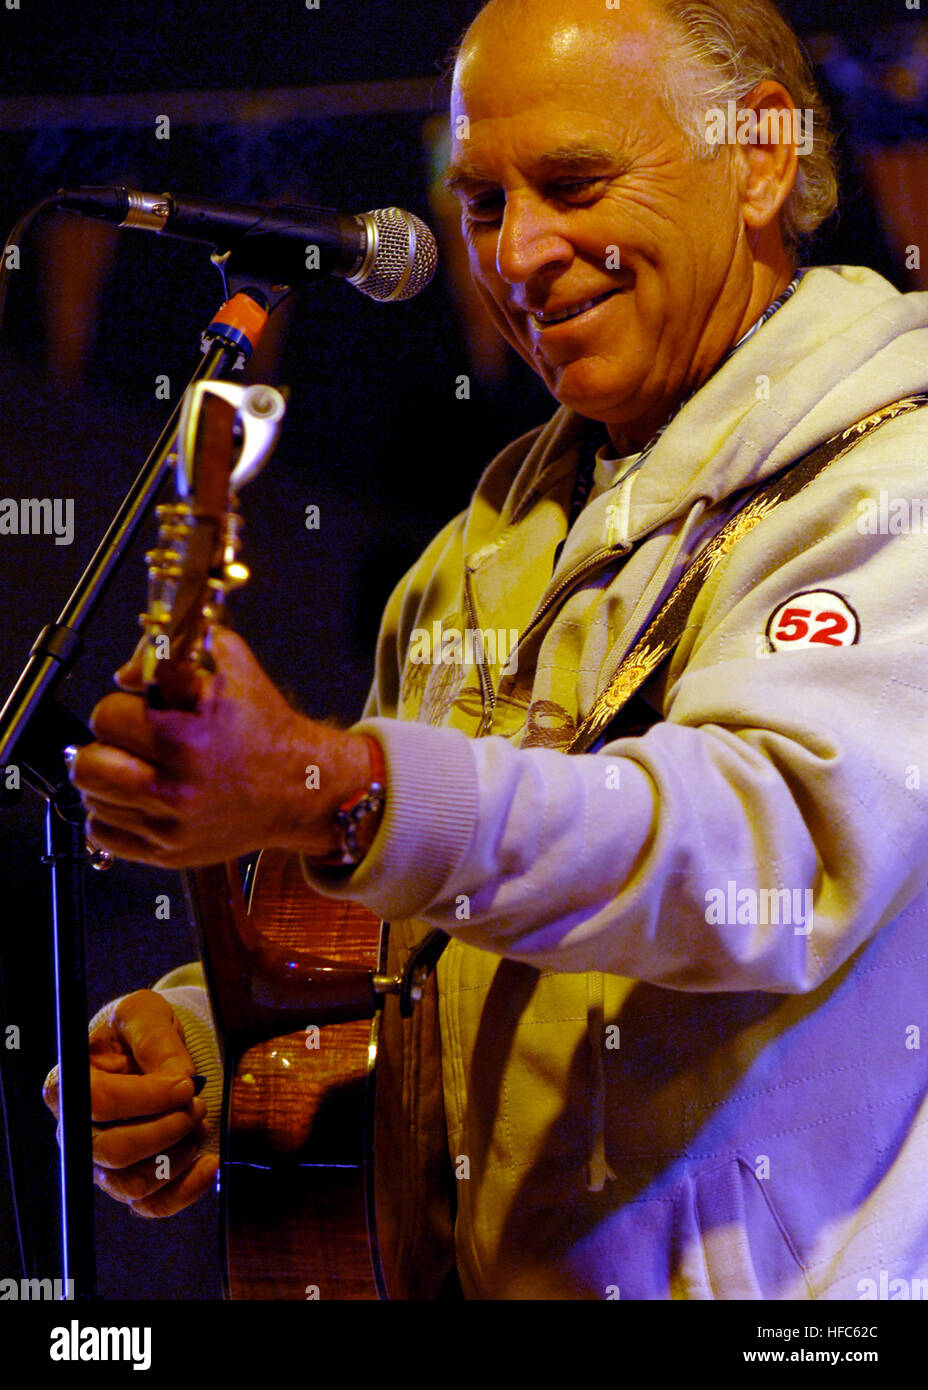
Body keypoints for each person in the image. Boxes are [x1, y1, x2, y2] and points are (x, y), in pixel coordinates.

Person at [44, 0, 928, 1299]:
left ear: (763, 156)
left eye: (572, 184)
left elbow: (753, 853)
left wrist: (326, 783)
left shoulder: (888, 482)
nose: (520, 252)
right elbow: (421, 924)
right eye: (480, 202)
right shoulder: (488, 541)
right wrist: (209, 1041)